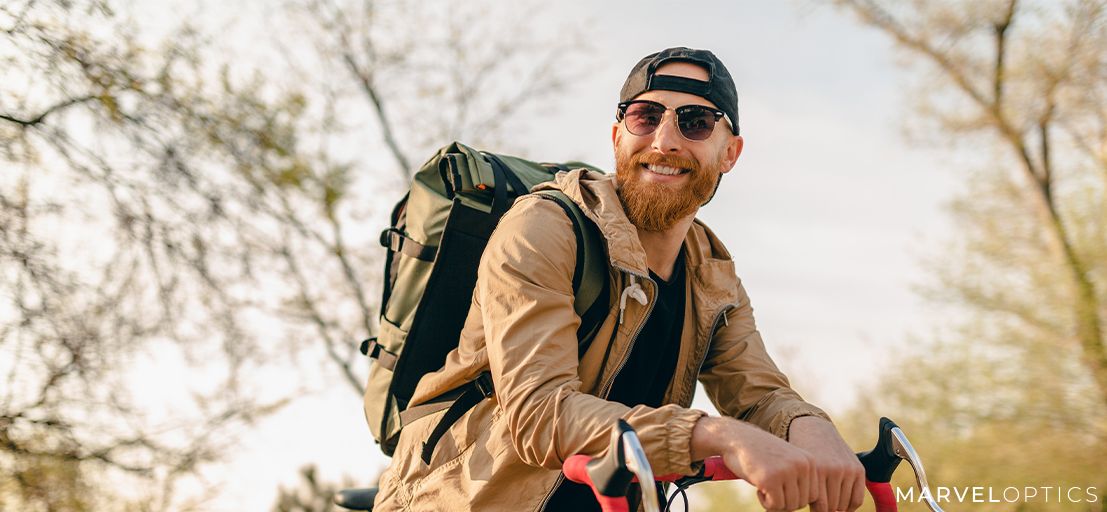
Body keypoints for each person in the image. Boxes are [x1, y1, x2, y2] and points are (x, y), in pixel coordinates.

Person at [371, 47, 865, 512]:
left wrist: (810, 428)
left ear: (730, 153)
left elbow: (758, 392)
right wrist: (718, 436)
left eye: (695, 122)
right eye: (645, 117)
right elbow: (540, 415)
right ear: (617, 138)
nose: (665, 140)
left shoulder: (711, 271)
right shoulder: (544, 227)